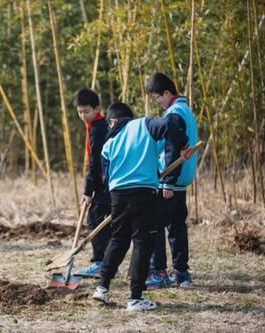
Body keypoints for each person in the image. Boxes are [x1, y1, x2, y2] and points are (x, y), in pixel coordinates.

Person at [92, 102, 188, 312]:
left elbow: (105, 175)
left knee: (118, 240)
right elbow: (171, 124)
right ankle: (135, 298)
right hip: (143, 193)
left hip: (117, 195)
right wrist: (181, 142)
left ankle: (102, 287)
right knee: (142, 244)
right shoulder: (144, 124)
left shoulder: (110, 141)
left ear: (114, 121)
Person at [145, 72, 199, 289]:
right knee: (177, 226)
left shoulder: (174, 114)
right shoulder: (186, 111)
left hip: (171, 180)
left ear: (167, 93)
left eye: (157, 97)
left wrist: (166, 181)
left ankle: (159, 273)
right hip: (181, 180)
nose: (157, 102)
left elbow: (172, 148)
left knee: (155, 226)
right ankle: (182, 273)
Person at [73, 88, 111, 278]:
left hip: (106, 182)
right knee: (102, 221)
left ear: (97, 109)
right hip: (107, 181)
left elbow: (96, 163)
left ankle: (100, 262)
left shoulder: (99, 128)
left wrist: (88, 191)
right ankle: (105, 262)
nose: (82, 116)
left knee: (95, 220)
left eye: (86, 112)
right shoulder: (95, 125)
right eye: (79, 112)